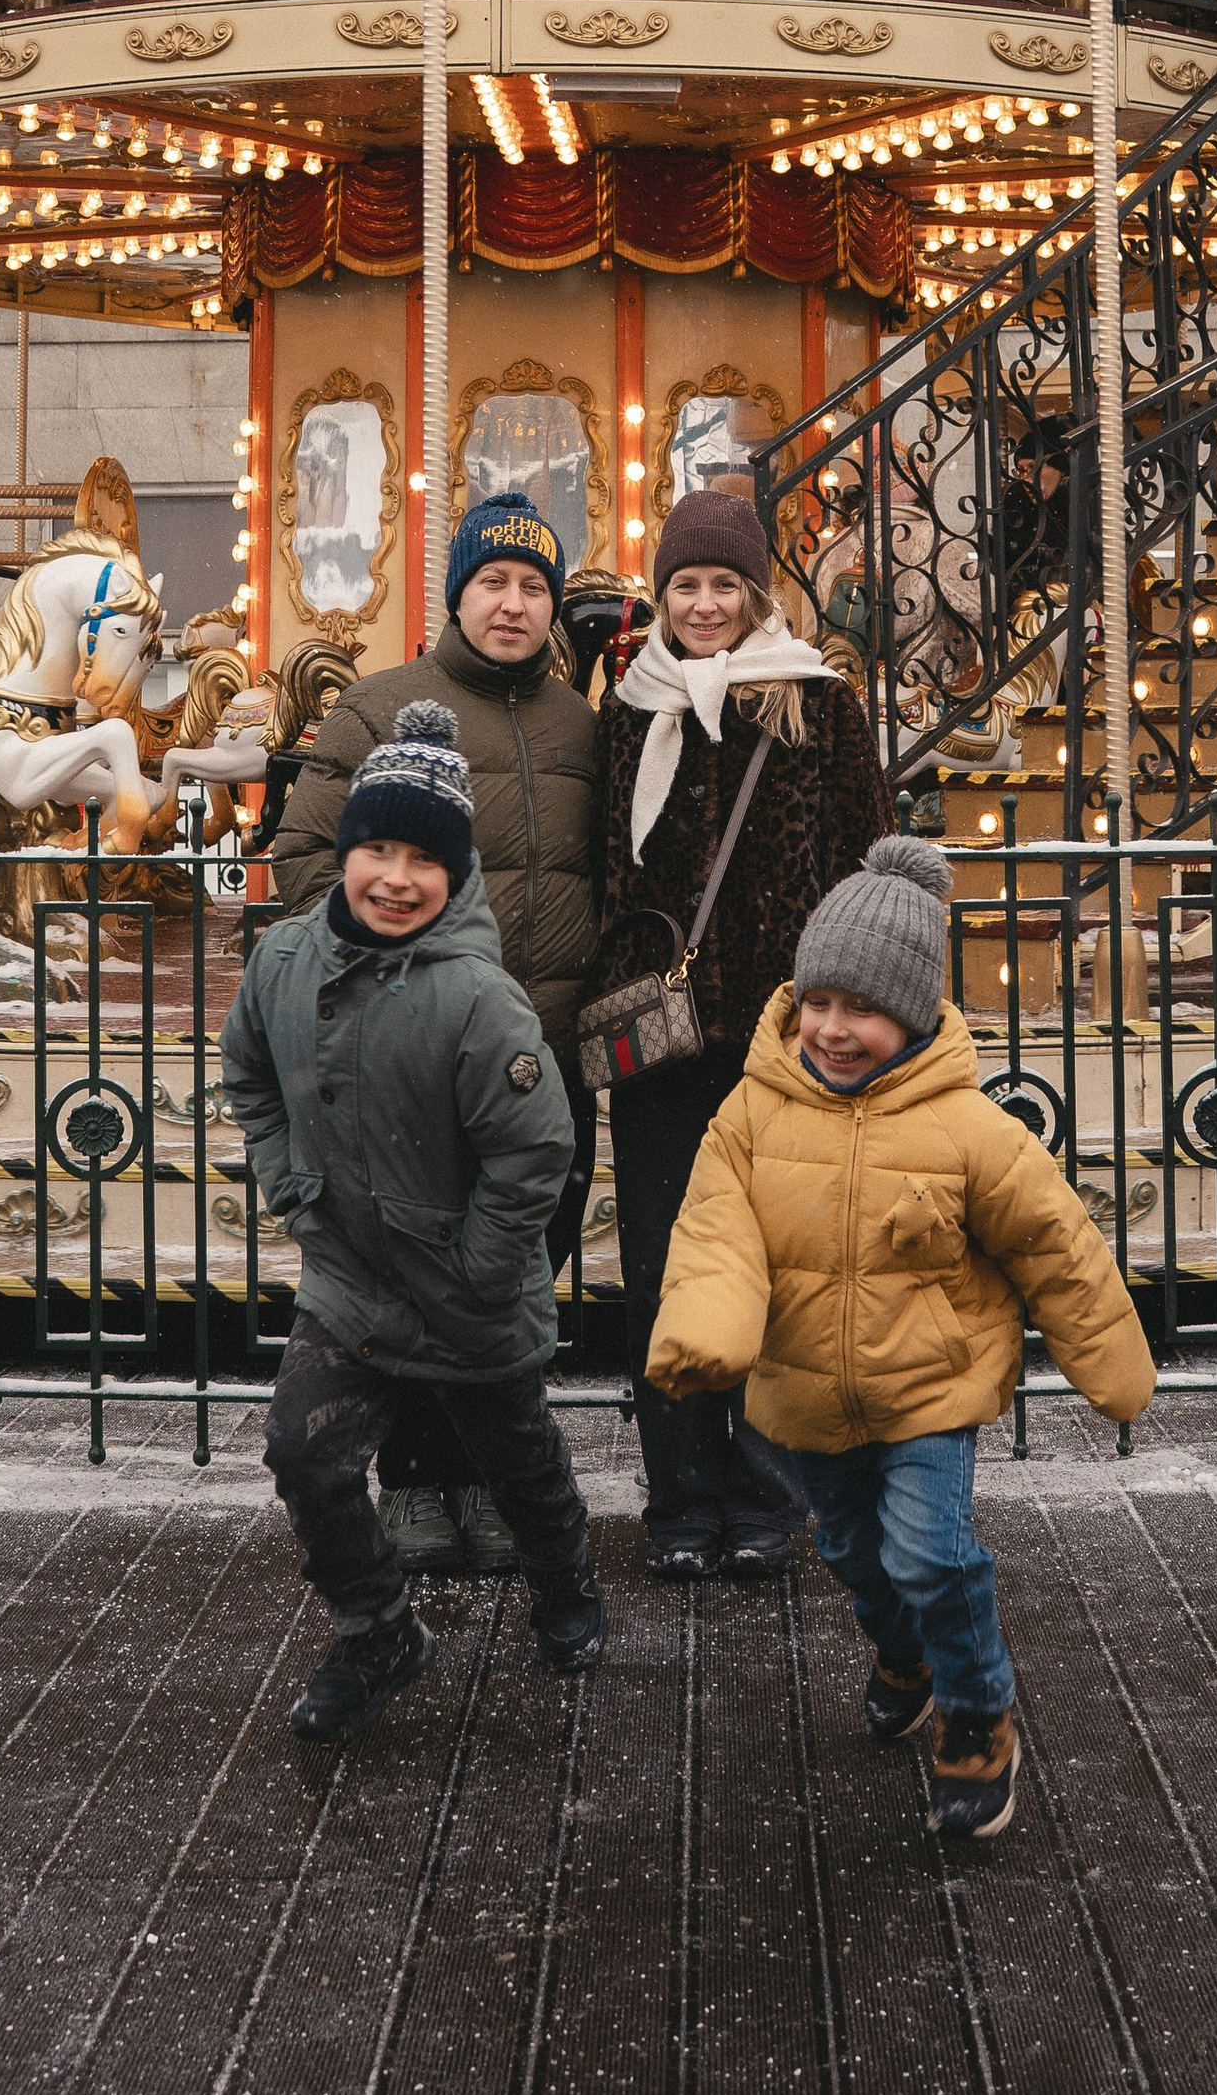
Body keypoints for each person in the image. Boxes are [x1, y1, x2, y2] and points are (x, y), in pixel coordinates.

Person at [645, 838, 1154, 1837]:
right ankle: (903, 1655)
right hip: (804, 1396)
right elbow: (716, 1229)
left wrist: (1111, 1364)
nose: (833, 1031)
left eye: (863, 1010)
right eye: (819, 1004)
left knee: (931, 1557)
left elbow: (1056, 1245)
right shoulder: (748, 1115)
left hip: (929, 1389)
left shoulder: (969, 1129)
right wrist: (708, 1328)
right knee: (855, 1555)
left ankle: (976, 1714)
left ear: (915, 1014)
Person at [226, 702, 607, 1741]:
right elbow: (250, 1073)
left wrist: (484, 1264)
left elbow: (535, 1148)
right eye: (375, 850)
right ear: (345, 851)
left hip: (463, 1281)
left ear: (457, 874)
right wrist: (288, 1183)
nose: (395, 878)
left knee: (516, 1458)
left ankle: (565, 1577)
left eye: (421, 860)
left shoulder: (481, 1001)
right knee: (304, 1453)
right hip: (349, 1274)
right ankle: (375, 1628)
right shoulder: (284, 964)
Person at [270, 492, 598, 1577]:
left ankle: (491, 1477)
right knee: (410, 1273)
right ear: (456, 591)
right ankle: (413, 1479)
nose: (513, 604)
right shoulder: (378, 709)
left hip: (538, 1049)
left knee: (511, 1272)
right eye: (493, 581)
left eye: (533, 586)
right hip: (410, 1057)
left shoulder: (577, 726)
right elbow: (307, 860)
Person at [591, 488, 892, 1579]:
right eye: (686, 585)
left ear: (755, 592)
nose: (706, 605)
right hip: (663, 1046)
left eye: (724, 584)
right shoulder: (628, 707)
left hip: (784, 1042)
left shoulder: (819, 706)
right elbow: (602, 870)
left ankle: (765, 1497)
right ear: (661, 596)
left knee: (777, 1268)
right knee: (666, 1268)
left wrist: (849, 1015)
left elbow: (864, 866)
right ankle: (678, 1497)